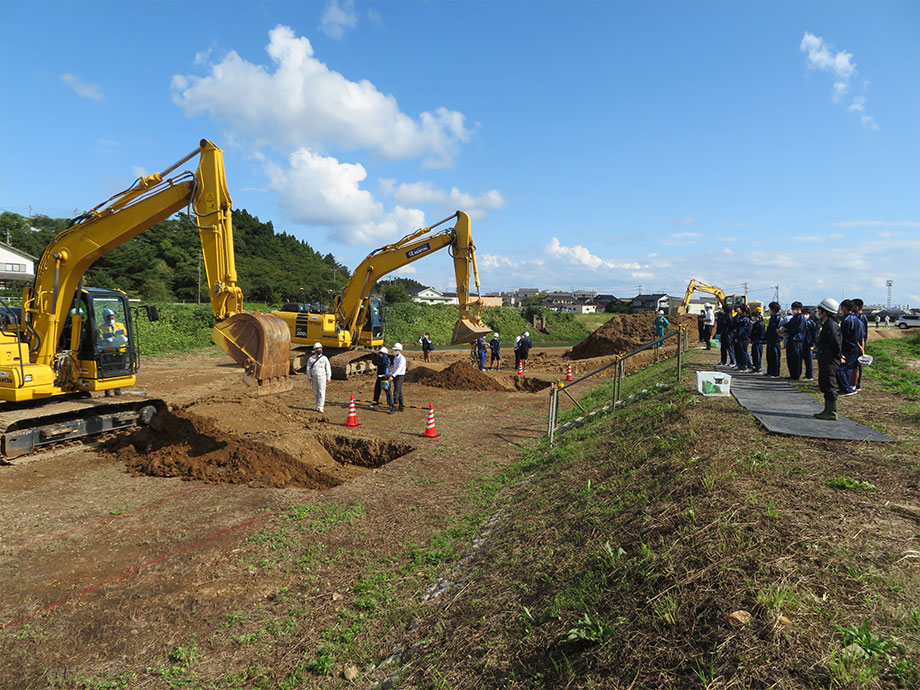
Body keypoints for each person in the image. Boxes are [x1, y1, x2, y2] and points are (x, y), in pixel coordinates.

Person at [814, 298, 843, 421]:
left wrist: (838, 356)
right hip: (825, 358)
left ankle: (832, 412)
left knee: (829, 384)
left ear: (825, 311)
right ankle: (827, 409)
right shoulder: (826, 324)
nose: (818, 311)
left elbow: (836, 344)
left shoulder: (831, 326)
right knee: (824, 383)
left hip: (830, 359)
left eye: (820, 309)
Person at [96, 308, 128, 397]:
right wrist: (107, 341)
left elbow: (125, 334)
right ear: (105, 318)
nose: (111, 318)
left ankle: (117, 390)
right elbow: (100, 341)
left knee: (119, 370)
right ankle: (107, 392)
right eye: (109, 317)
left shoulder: (120, 325)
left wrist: (124, 339)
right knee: (108, 372)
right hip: (109, 353)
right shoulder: (101, 329)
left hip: (120, 352)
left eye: (112, 316)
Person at [837, 300, 864, 397]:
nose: (841, 309)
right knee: (851, 368)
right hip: (856, 347)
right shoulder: (858, 320)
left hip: (849, 348)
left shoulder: (848, 320)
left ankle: (846, 388)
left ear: (845, 307)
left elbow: (843, 337)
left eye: (842, 307)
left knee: (842, 368)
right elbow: (861, 336)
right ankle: (849, 386)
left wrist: (840, 350)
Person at [781, 301, 806, 380]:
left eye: (793, 308)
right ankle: (792, 374)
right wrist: (782, 328)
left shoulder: (801, 317)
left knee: (796, 359)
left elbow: (798, 329)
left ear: (798, 309)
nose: (792, 310)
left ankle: (796, 375)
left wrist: (786, 331)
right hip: (791, 339)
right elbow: (788, 325)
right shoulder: (794, 317)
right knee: (791, 358)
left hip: (797, 340)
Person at [305, 342, 332, 413]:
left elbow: (328, 368)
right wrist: (309, 376)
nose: (319, 349)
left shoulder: (324, 358)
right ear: (314, 350)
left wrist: (328, 377)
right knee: (316, 392)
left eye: (320, 348)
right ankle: (317, 406)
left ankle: (320, 407)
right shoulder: (311, 358)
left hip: (322, 377)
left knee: (321, 392)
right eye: (317, 348)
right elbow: (308, 368)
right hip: (314, 377)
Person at [851, 298, 868, 391]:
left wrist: (862, 345)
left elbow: (863, 334)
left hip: (859, 344)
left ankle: (857, 384)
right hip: (855, 343)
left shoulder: (862, 317)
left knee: (857, 365)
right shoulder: (854, 316)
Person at [372, 346, 394, 412]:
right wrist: (377, 357)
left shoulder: (386, 359)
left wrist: (381, 357)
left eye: (381, 353)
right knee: (377, 390)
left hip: (385, 377)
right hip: (379, 376)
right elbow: (374, 362)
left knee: (387, 391)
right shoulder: (379, 358)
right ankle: (375, 402)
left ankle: (390, 405)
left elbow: (384, 364)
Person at [764, 301, 782, 377]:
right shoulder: (772, 317)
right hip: (770, 340)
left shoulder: (778, 318)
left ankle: (775, 372)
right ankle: (770, 371)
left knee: (775, 357)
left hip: (775, 340)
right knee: (769, 356)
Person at [733, 304, 753, 370]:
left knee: (743, 351)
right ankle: (742, 364)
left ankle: (745, 365)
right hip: (740, 337)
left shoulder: (746, 319)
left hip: (744, 337)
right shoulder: (741, 317)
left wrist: (738, 315)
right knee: (740, 351)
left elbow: (737, 322)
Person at [802, 307, 818, 381]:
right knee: (804, 360)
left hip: (809, 344)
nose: (805, 315)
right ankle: (806, 375)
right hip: (803, 343)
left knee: (809, 360)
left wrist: (812, 344)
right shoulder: (802, 322)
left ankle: (809, 375)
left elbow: (814, 334)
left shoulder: (811, 323)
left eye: (806, 314)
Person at [390, 343, 406, 412]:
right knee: (399, 392)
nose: (394, 351)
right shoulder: (396, 358)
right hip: (396, 375)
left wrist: (392, 376)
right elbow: (395, 369)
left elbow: (399, 369)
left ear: (399, 350)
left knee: (396, 392)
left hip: (400, 376)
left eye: (395, 350)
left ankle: (395, 408)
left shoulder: (402, 359)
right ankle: (401, 407)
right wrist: (389, 373)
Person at [750, 309, 765, 373]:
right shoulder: (756, 323)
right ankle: (755, 366)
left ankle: (758, 367)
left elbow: (759, 333)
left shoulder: (760, 324)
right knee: (754, 354)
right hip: (755, 341)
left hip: (758, 341)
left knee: (757, 355)